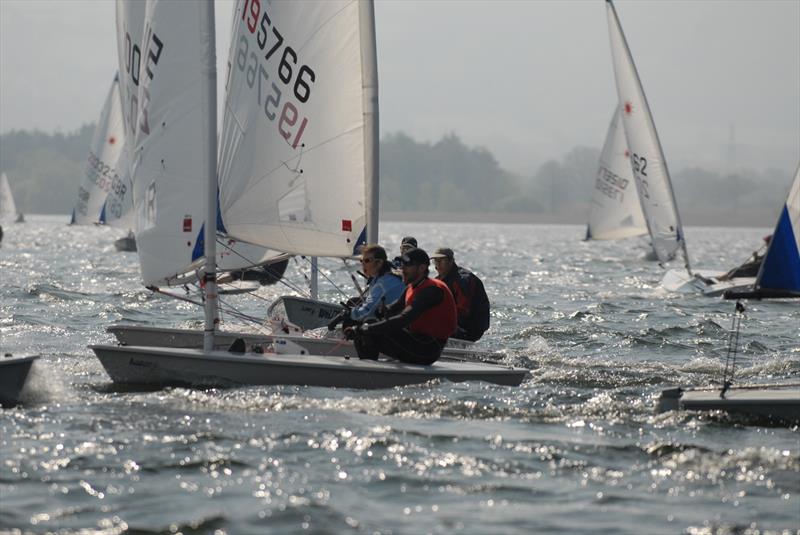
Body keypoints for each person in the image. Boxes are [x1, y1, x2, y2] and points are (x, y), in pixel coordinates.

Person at [350, 247, 456, 365]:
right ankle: (368, 367)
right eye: (402, 264)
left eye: (408, 265)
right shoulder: (410, 288)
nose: (403, 269)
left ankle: (369, 372)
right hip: (415, 341)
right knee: (368, 322)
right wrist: (375, 315)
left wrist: (368, 328)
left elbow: (405, 317)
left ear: (422, 268)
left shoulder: (432, 290)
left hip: (429, 348)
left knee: (369, 328)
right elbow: (391, 310)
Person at [327, 244, 405, 331]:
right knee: (353, 304)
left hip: (399, 327)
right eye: (361, 261)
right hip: (395, 320)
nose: (363, 264)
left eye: (367, 260)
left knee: (355, 320)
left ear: (379, 263)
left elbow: (367, 311)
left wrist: (345, 314)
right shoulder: (384, 277)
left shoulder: (382, 283)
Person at [430, 247, 490, 342]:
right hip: (452, 324)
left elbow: (463, 311)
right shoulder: (439, 280)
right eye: (435, 261)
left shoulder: (463, 280)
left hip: (469, 329)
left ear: (451, 261)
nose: (437, 264)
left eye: (442, 260)